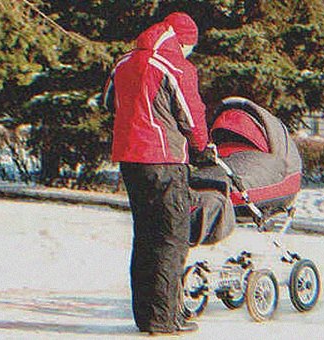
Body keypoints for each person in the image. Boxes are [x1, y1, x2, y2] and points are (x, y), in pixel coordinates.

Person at [103, 12, 208, 335]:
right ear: (184, 41)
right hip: (164, 159)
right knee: (171, 239)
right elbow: (192, 117)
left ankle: (145, 316)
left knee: (145, 237)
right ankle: (164, 320)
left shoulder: (124, 62)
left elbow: (109, 102)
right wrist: (201, 144)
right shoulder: (176, 66)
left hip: (130, 161)